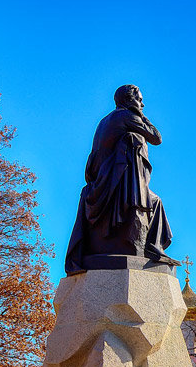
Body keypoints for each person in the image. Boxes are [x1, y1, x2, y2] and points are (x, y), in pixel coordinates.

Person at [64, 85, 175, 273]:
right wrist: (139, 114)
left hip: (103, 183)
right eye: (139, 100)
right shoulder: (126, 116)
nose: (142, 104)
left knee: (154, 200)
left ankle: (149, 246)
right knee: (155, 202)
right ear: (130, 100)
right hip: (117, 184)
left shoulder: (104, 121)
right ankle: (152, 247)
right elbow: (156, 138)